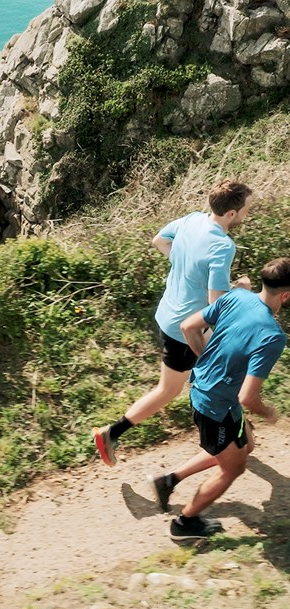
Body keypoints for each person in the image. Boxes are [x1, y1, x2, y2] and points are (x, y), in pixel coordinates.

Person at [93, 179, 253, 466]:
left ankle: (237, 429)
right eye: (245, 210)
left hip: (167, 314)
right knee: (169, 389)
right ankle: (111, 433)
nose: (246, 214)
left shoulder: (192, 220)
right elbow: (216, 302)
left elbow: (159, 240)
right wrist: (241, 289)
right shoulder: (222, 246)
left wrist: (185, 267)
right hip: (185, 330)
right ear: (231, 213)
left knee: (216, 372)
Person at [152, 257, 289, 540]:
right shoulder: (272, 335)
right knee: (234, 467)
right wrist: (270, 413)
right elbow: (248, 397)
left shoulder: (237, 296)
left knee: (246, 445)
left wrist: (208, 362)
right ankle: (184, 523)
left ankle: (169, 481)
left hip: (209, 392)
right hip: (216, 406)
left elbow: (188, 327)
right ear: (286, 296)